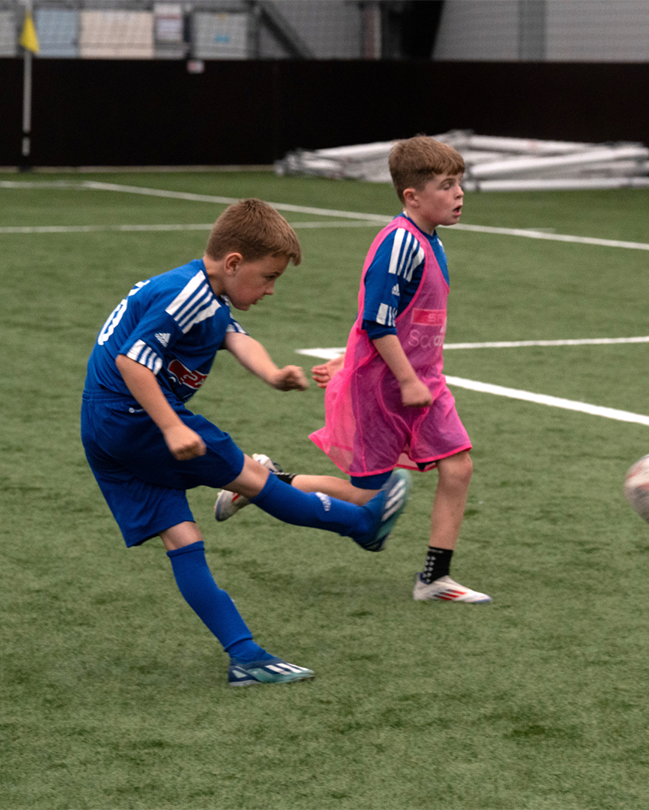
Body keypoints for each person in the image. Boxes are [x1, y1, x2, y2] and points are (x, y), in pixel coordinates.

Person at [81, 198, 411, 688]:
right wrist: (172, 427)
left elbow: (235, 337)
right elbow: (131, 363)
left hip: (102, 427)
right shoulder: (188, 294)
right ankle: (362, 524)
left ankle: (245, 657)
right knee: (255, 478)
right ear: (234, 263)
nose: (271, 289)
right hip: (138, 419)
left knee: (182, 539)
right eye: (269, 276)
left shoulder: (201, 290)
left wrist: (272, 373)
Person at [215, 137, 490, 603]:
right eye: (446, 185)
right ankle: (264, 481)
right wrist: (400, 379)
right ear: (412, 196)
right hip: (385, 387)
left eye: (459, 183)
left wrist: (348, 359)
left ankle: (434, 578)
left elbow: (392, 319)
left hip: (423, 382)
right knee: (365, 494)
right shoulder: (400, 243)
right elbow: (377, 321)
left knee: (458, 466)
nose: (459, 193)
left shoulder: (430, 240)